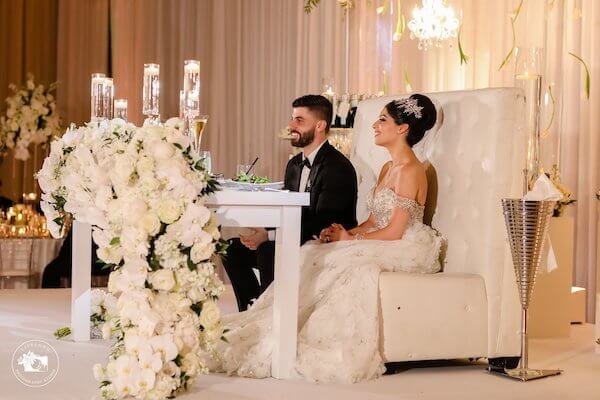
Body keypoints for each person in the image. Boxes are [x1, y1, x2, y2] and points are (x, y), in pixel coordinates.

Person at [214, 94, 444, 383]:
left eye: (382, 119)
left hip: (404, 244)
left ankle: (300, 333)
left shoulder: (411, 170)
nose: (374, 124)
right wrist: (344, 234)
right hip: (382, 236)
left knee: (330, 261)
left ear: (402, 129)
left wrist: (350, 241)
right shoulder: (388, 168)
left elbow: (396, 231)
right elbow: (374, 222)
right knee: (313, 253)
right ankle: (272, 322)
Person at [222, 94, 358, 311]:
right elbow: (287, 209)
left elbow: (322, 221)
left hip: (325, 243)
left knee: (268, 250)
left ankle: (270, 316)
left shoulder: (337, 167)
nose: (291, 125)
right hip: (296, 237)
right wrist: (263, 229)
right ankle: (250, 310)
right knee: (231, 249)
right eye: (292, 118)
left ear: (320, 125)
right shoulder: (294, 164)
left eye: (299, 120)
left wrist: (270, 235)